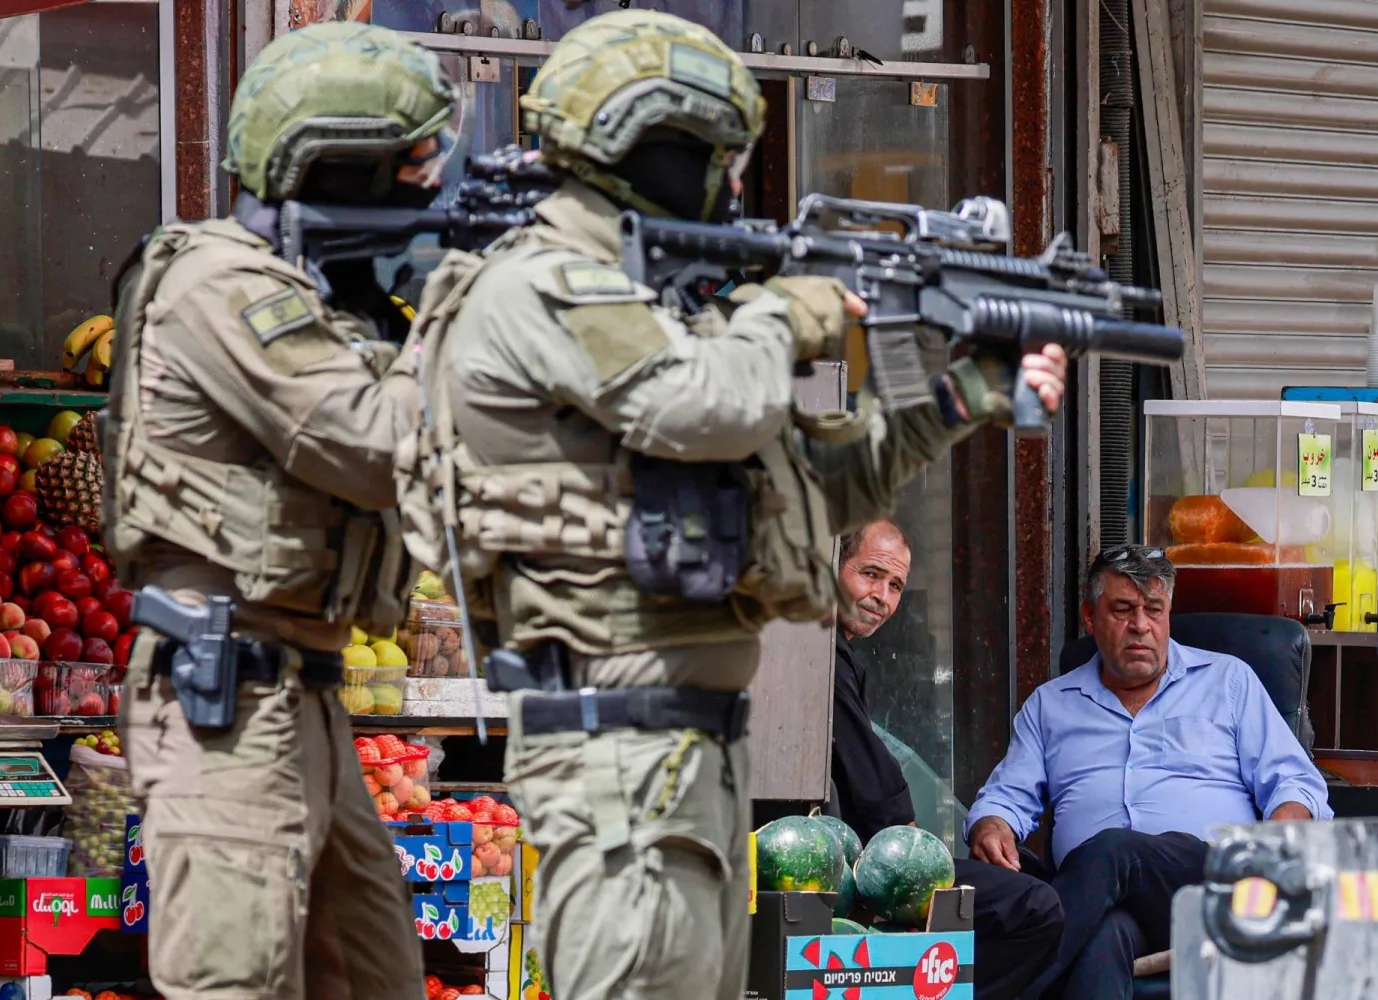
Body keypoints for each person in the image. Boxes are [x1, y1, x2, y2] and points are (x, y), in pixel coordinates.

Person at [395, 10, 1069, 1000]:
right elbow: (702, 406)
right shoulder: (544, 285)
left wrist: (958, 398)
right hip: (613, 750)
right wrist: (789, 304)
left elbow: (811, 485)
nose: (735, 181)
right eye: (715, 153)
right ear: (642, 147)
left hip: (694, 753)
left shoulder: (657, 309)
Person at [104, 23, 458, 1000]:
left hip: (303, 690)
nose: (428, 188)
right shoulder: (216, 281)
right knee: (237, 983)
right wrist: (466, 310)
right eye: (408, 165)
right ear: (332, 165)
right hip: (228, 695)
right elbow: (375, 442)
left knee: (375, 975)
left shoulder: (318, 298)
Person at [965, 545, 1332, 1000]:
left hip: (1209, 882)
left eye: (1154, 610)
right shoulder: (1050, 705)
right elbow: (1006, 797)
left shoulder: (1227, 681)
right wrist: (992, 825)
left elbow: (1296, 783)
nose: (1141, 625)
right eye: (1122, 609)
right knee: (1103, 937)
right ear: (1089, 617)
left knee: (1114, 850)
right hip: (1107, 899)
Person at [832, 520, 1064, 1000]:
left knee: (1033, 875)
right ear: (830, 566)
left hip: (874, 851)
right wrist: (913, 841)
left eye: (895, 585)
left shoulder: (843, 654)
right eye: (870, 574)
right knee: (1035, 909)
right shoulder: (818, 655)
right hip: (866, 865)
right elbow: (874, 795)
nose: (882, 596)